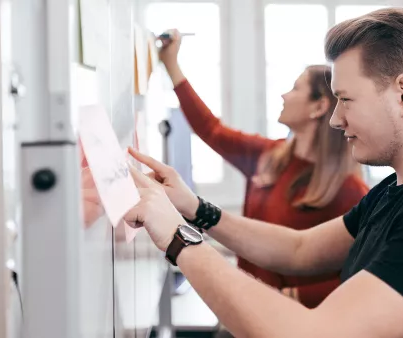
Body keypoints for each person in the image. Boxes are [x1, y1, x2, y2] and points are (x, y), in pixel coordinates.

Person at [125, 8, 403, 337]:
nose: (336, 120)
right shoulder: (398, 190)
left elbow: (317, 332)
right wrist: (194, 208)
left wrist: (178, 239)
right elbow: (298, 250)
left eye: (345, 99)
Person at [157, 30, 369, 309]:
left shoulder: (348, 190)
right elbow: (210, 129)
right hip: (243, 310)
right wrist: (172, 66)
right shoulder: (268, 155)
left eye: (295, 88)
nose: (283, 94)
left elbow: (363, 274)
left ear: (318, 106)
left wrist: (293, 297)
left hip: (289, 322)